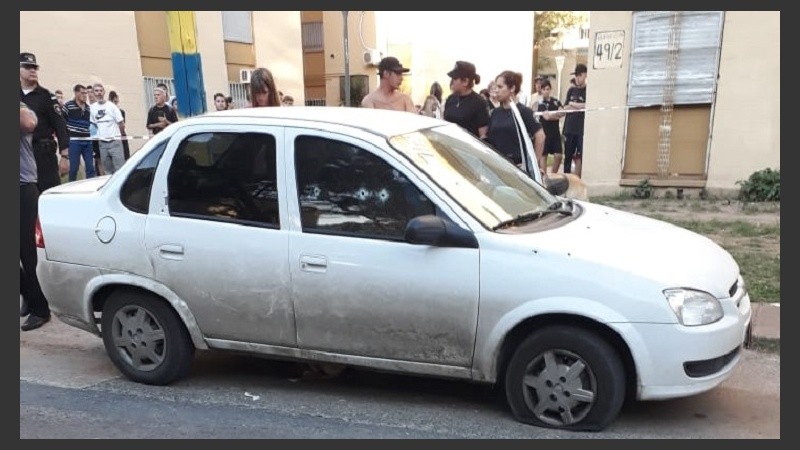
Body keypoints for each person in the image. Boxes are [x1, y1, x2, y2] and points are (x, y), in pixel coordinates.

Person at [20, 101, 51, 331]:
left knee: (28, 252)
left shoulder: (21, 107)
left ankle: (40, 309)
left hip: (22, 188)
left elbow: (29, 122)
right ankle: (30, 296)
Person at [19, 52, 69, 193]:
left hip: (43, 153)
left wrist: (65, 156)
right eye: (28, 67)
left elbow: (60, 126)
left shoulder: (47, 96)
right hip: (22, 154)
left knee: (49, 193)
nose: (33, 70)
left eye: (35, 67)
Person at [485, 70, 544, 175]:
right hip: (498, 167)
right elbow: (489, 138)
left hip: (518, 169)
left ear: (512, 88)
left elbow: (540, 136)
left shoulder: (523, 112)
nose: (496, 91)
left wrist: (533, 164)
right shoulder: (495, 113)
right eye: (495, 87)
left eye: (500, 87)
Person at [443, 60, 490, 139]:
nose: (452, 81)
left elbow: (483, 136)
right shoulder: (451, 99)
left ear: (465, 81)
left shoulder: (479, 103)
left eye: (455, 78)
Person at [89, 83, 126, 174]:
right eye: (96, 91)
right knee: (108, 171)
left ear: (104, 92)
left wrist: (119, 136)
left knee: (120, 169)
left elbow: (121, 123)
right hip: (102, 144)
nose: (99, 93)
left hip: (115, 141)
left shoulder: (111, 106)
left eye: (101, 91)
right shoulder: (92, 108)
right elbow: (94, 125)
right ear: (93, 93)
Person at [62, 84, 96, 181]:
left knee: (90, 168)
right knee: (73, 169)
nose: (85, 95)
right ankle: (70, 188)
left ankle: (90, 188)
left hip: (87, 142)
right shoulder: (68, 106)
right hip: (74, 142)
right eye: (82, 93)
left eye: (86, 93)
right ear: (76, 93)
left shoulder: (88, 108)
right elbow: (61, 121)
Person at [536, 78, 566, 174]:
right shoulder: (540, 103)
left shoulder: (556, 101)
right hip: (545, 132)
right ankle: (544, 176)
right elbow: (546, 117)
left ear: (550, 89)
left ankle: (553, 174)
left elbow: (563, 112)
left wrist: (555, 115)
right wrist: (556, 115)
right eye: (544, 89)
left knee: (558, 155)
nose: (546, 91)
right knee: (543, 155)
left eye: (548, 89)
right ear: (541, 90)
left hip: (555, 132)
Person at [563, 63, 587, 176]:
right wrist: (574, 105)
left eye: (580, 75)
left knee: (580, 156)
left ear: (585, 75)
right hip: (569, 128)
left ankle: (578, 178)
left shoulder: (587, 91)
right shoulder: (571, 90)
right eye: (576, 75)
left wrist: (574, 104)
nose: (577, 78)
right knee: (567, 155)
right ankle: (566, 178)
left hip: (580, 129)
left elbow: (587, 105)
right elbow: (565, 107)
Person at [108, 90, 130, 160]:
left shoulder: (121, 112)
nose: (116, 104)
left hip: (121, 136)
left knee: (125, 156)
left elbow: (122, 125)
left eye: (117, 102)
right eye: (114, 102)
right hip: (112, 136)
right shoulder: (107, 112)